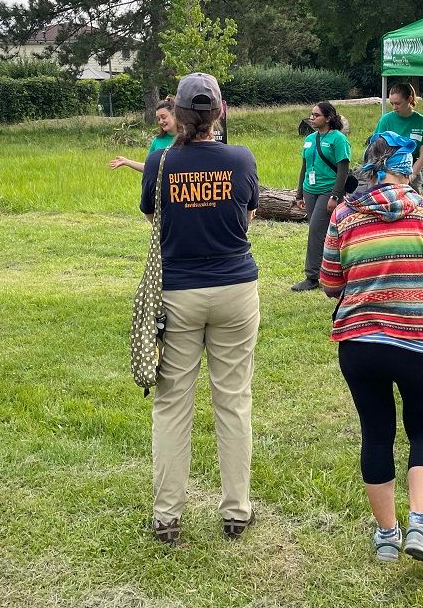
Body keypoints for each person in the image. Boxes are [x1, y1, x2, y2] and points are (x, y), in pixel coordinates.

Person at [320, 131, 423, 564]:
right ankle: (420, 523)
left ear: (371, 165)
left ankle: (387, 536)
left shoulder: (345, 213)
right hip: (421, 342)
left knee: (376, 434)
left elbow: (330, 282)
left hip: (361, 342)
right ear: (407, 168)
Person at [140, 72, 260, 544]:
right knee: (233, 400)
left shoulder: (161, 159)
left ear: (181, 115)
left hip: (178, 291)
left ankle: (168, 515)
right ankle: (236, 510)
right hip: (235, 288)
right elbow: (249, 212)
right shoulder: (241, 158)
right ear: (220, 111)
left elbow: (153, 215)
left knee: (172, 406)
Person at [291, 101, 351, 292]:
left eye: (316, 115)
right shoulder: (309, 139)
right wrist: (299, 193)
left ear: (328, 118)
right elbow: (304, 166)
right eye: (311, 114)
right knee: (323, 233)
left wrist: (335, 195)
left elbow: (343, 170)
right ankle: (334, 271)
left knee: (316, 231)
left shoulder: (338, 139)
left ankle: (312, 276)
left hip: (328, 191)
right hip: (310, 191)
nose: (312, 118)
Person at [374, 83, 423, 189]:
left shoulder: (422, 121)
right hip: (389, 169)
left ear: (409, 99)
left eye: (398, 103)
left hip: (412, 168)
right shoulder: (386, 120)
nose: (394, 107)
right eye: (392, 104)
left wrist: (411, 175)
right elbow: (375, 150)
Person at [109, 97, 177, 172]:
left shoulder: (188, 139)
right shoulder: (157, 141)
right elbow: (148, 167)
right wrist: (126, 162)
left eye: (163, 117)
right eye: (158, 119)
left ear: (175, 116)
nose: (161, 121)